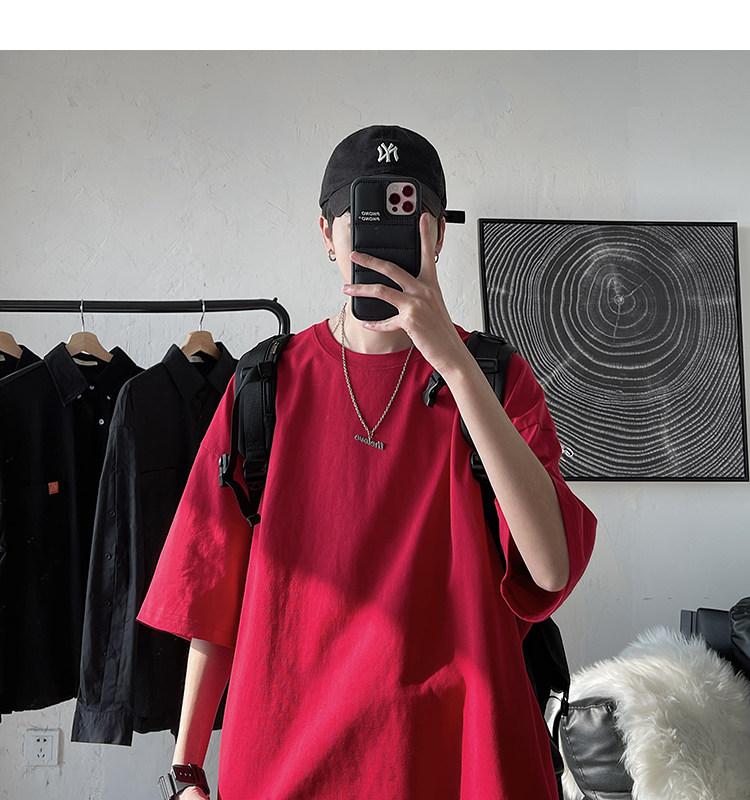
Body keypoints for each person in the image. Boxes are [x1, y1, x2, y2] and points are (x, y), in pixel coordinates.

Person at [137, 124, 597, 800]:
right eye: (365, 218)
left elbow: (551, 568)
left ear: (437, 238)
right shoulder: (264, 385)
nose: (383, 241)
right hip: (283, 762)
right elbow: (212, 591)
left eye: (408, 217)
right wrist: (187, 770)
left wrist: (454, 364)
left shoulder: (495, 378)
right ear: (327, 234)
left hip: (461, 760)